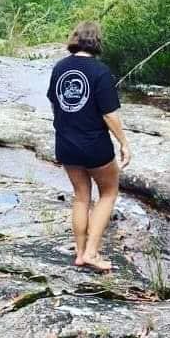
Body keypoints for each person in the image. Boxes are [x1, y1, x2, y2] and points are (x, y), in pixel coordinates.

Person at [46, 21, 131, 272]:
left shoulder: (59, 68)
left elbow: (55, 104)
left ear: (75, 39)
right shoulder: (100, 72)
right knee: (108, 192)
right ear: (96, 42)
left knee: (81, 197)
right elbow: (109, 114)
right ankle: (92, 253)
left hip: (66, 143)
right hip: (94, 146)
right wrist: (124, 143)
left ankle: (81, 253)